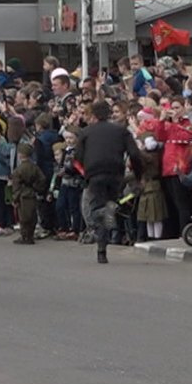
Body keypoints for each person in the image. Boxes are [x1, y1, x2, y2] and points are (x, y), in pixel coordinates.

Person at [75, 100, 143, 264]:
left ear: (93, 114)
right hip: (115, 174)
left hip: (95, 175)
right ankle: (111, 212)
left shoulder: (86, 132)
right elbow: (134, 154)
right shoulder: (121, 131)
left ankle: (101, 247)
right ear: (109, 114)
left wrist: (86, 175)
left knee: (97, 208)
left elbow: (77, 160)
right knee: (110, 204)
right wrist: (139, 176)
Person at [9, 141, 45, 245]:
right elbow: (42, 179)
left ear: (20, 155)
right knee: (32, 215)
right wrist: (37, 188)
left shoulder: (18, 170)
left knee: (23, 217)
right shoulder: (34, 167)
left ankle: (24, 236)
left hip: (22, 195)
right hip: (32, 193)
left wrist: (14, 198)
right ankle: (30, 235)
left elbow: (16, 186)